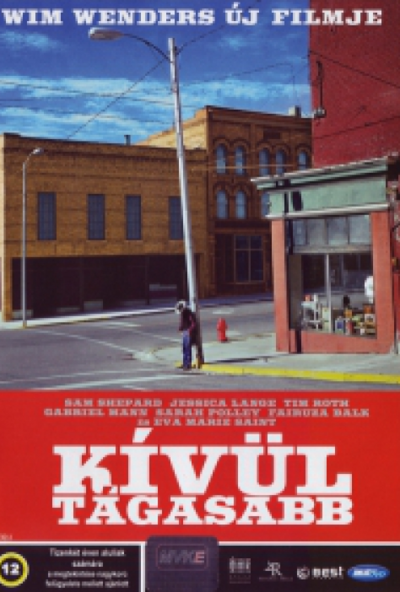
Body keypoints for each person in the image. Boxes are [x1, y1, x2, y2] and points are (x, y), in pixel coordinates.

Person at [176, 300, 197, 370]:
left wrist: (189, 330)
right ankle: (185, 363)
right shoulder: (182, 314)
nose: (180, 310)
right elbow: (182, 323)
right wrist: (180, 329)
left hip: (188, 332)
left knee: (187, 348)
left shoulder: (188, 312)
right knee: (184, 348)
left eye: (180, 309)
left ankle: (188, 364)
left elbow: (193, 323)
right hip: (185, 332)